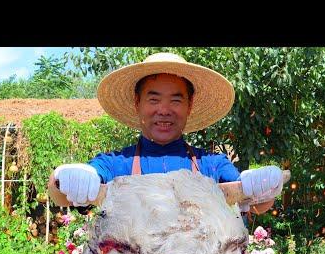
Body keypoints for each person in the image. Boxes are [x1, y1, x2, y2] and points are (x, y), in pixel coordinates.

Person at [49, 52, 283, 218]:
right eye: (154, 99)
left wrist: (262, 188)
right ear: (137, 104)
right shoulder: (114, 165)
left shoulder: (211, 165)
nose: (164, 110)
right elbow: (59, 196)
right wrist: (64, 178)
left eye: (176, 100)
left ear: (189, 106)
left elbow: (255, 204)